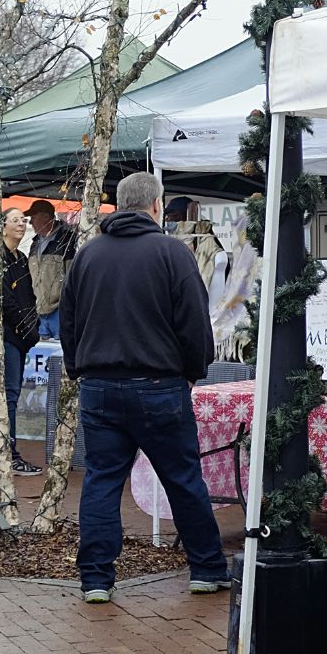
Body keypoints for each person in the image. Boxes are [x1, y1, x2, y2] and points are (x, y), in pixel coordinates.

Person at [61, 171, 230, 604]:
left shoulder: (89, 255)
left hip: (100, 385)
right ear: (157, 205)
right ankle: (207, 568)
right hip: (159, 386)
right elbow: (193, 321)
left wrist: (79, 368)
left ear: (118, 205)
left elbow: (69, 322)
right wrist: (194, 371)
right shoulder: (173, 253)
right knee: (183, 479)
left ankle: (96, 578)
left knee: (101, 481)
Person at [0, 208, 44, 477]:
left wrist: (31, 327)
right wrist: (26, 329)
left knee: (9, 395)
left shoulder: (20, 258)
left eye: (24, 221)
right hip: (6, 337)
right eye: (16, 221)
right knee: (8, 396)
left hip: (21, 337)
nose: (22, 225)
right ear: (2, 226)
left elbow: (28, 297)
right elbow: (5, 301)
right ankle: (6, 453)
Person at [24, 199, 78, 339]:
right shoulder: (35, 243)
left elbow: (74, 280)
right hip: (38, 312)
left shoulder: (67, 241)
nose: (30, 222)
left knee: (61, 354)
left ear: (46, 217)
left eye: (33, 218)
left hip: (60, 312)